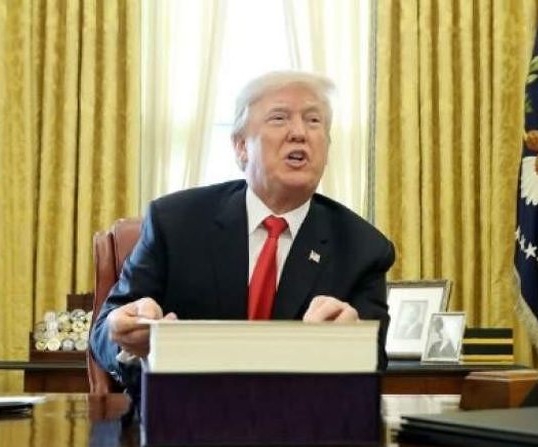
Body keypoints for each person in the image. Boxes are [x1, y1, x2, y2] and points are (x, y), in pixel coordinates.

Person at [91, 70, 396, 393]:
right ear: (240, 147)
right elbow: (102, 332)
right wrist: (126, 337)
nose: (299, 133)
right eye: (279, 118)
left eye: (314, 121)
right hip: (183, 420)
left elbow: (375, 362)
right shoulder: (175, 223)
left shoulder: (363, 247)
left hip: (301, 425)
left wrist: (350, 346)